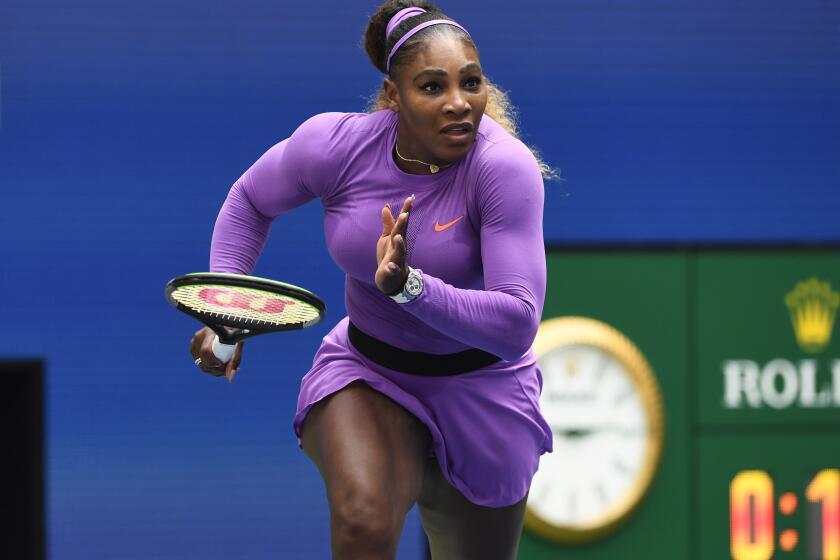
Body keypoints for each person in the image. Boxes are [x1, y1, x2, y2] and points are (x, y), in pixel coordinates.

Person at [189, 1, 554, 558]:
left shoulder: (504, 169)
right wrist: (226, 310)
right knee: (364, 521)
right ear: (393, 96)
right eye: (432, 87)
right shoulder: (334, 147)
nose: (459, 102)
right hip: (370, 370)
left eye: (471, 82)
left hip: (485, 388)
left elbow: (516, 323)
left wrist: (410, 286)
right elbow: (249, 201)